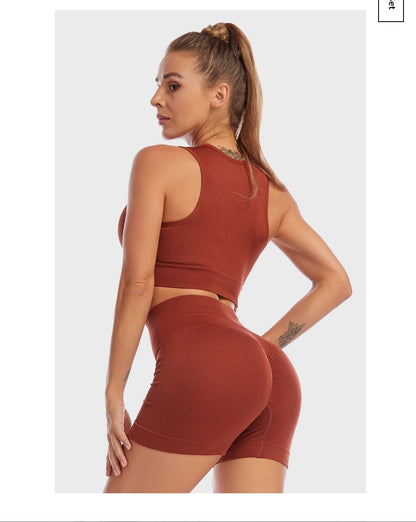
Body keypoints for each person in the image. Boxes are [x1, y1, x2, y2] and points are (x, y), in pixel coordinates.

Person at [103, 22, 352, 494]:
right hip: (267, 375)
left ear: (219, 95)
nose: (156, 99)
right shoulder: (271, 193)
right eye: (157, 85)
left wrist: (114, 391)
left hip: (205, 361)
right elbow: (336, 281)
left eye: (172, 86)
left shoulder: (157, 163)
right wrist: (260, 352)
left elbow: (138, 284)